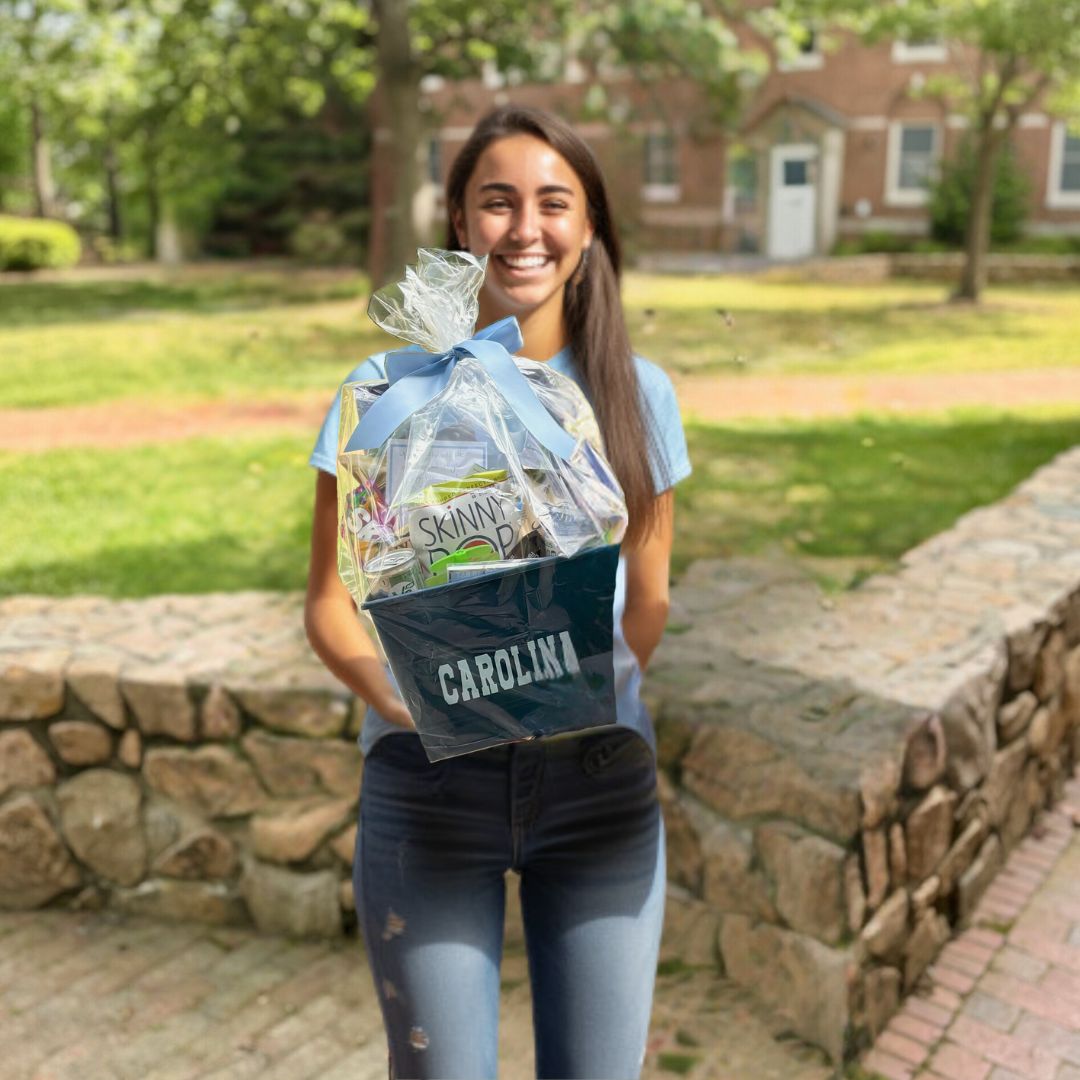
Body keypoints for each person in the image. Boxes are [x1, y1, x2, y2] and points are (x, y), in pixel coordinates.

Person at [304, 105, 691, 1080]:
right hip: (426, 784)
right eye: (497, 202)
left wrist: (554, 685)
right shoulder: (384, 391)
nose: (526, 229)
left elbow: (647, 602)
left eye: (554, 202)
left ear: (590, 225)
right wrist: (417, 700)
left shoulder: (635, 394)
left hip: (598, 784)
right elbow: (327, 603)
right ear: (458, 221)